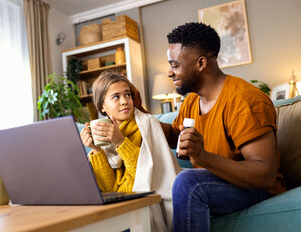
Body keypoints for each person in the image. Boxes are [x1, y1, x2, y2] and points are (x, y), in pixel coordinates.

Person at [160, 22, 286, 231]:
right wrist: (137, 113)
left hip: (258, 188)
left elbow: (265, 175)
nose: (170, 73)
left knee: (188, 183)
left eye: (175, 65)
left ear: (201, 64)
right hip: (218, 181)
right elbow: (175, 136)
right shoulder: (192, 101)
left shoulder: (246, 101)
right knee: (165, 175)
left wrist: (203, 157)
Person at [80, 71, 181, 231]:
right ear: (102, 106)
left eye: (127, 95)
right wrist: (96, 150)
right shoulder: (103, 133)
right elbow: (110, 189)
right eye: (116, 97)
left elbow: (143, 177)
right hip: (119, 205)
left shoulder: (148, 125)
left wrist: (120, 141)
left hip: (144, 201)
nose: (124, 101)